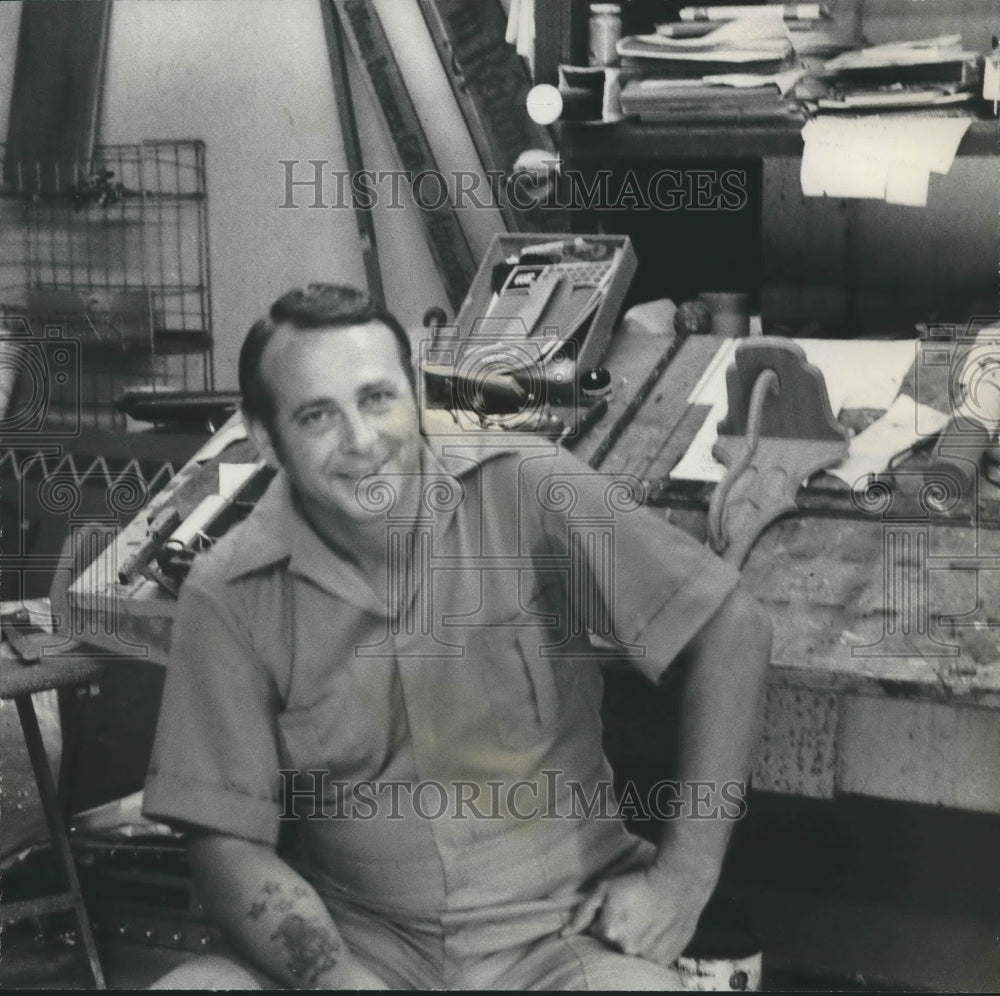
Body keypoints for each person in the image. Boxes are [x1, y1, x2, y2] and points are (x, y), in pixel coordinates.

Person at [143, 283, 772, 990]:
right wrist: (339, 981)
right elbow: (224, 840)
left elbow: (730, 628)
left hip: (561, 938)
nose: (361, 440)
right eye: (318, 415)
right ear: (264, 436)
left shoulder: (527, 488)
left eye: (378, 398)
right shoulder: (228, 591)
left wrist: (683, 878)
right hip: (358, 942)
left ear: (414, 391)